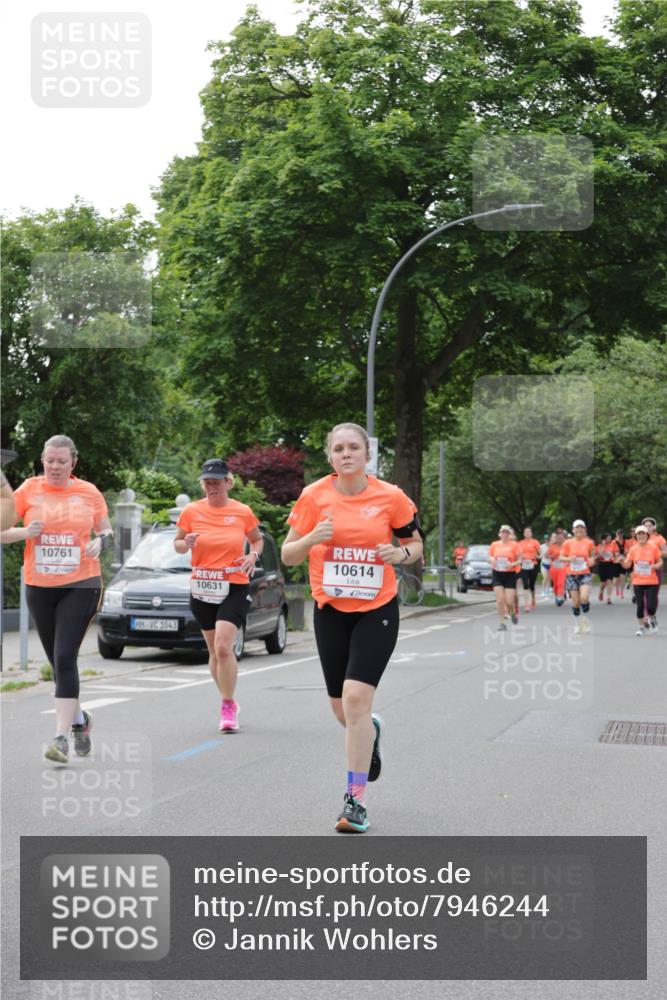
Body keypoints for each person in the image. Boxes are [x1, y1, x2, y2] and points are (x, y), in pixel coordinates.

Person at [281, 422, 422, 834]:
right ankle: (371, 733)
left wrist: (398, 553)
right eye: (339, 448)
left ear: (366, 455)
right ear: (330, 457)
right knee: (342, 710)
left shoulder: (390, 497)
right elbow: (289, 554)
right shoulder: (313, 497)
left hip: (376, 608)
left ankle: (354, 802)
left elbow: (415, 546)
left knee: (357, 699)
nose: (346, 454)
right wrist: (311, 540)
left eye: (354, 448)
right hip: (330, 611)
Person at [1, 435, 111, 762]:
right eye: (50, 460)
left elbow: (106, 531)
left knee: (64, 657)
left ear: (73, 463)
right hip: (40, 585)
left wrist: (101, 543)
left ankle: (60, 738)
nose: (55, 467)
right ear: (42, 460)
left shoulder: (88, 492)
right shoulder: (28, 490)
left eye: (62, 461)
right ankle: (80, 721)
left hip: (82, 583)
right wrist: (25, 532)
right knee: (57, 661)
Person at [174, 459, 263, 733]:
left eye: (217, 481)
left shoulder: (242, 511)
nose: (212, 486)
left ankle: (226, 706)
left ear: (228, 482)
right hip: (202, 586)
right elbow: (177, 544)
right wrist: (184, 542)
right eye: (208, 482)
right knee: (214, 651)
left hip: (233, 585)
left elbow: (257, 539)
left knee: (225, 647)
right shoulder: (191, 511)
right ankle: (230, 699)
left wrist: (252, 555)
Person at [622, 525, 662, 636]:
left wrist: (655, 566)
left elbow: (660, 562)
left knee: (650, 607)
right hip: (638, 581)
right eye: (639, 534)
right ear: (636, 536)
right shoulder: (633, 549)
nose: (641, 536)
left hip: (651, 581)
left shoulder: (653, 548)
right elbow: (627, 564)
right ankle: (641, 627)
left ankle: (652, 619)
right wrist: (621, 561)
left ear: (647, 535)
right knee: (640, 607)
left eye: (643, 534)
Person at [560, 519, 596, 633]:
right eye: (577, 527)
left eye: (581, 527)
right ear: (573, 530)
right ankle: (577, 624)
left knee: (584, 598)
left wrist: (592, 560)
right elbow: (561, 557)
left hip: (584, 574)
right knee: (575, 602)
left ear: (584, 529)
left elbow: (593, 556)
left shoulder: (589, 543)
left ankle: (585, 621)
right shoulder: (567, 543)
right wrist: (569, 558)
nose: (579, 529)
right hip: (571, 574)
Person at [489, 525, 521, 630]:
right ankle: (502, 623)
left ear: (509, 534)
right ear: (499, 534)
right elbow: (490, 557)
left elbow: (520, 560)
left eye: (507, 532)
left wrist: (512, 564)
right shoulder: (494, 544)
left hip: (510, 574)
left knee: (509, 601)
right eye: (503, 532)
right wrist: (492, 560)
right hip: (497, 573)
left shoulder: (514, 545)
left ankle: (512, 613)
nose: (504, 534)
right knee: (500, 600)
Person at [517, 527, 541, 612]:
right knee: (525, 584)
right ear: (524, 534)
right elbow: (517, 554)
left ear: (531, 533)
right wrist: (520, 558)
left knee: (531, 585)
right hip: (523, 565)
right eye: (525, 532)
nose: (527, 533)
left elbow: (541, 554)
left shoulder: (535, 542)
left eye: (528, 532)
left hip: (533, 564)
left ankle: (533, 599)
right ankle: (527, 604)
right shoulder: (520, 543)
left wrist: (537, 557)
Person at [547, 527, 567, 606]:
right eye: (558, 538)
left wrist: (565, 558)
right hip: (554, 568)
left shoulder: (566, 546)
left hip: (563, 567)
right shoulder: (552, 546)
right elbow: (546, 555)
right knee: (555, 584)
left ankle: (560, 597)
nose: (560, 539)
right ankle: (557, 596)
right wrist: (552, 556)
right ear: (556, 539)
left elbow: (570, 555)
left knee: (560, 583)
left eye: (562, 538)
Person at [596, 532, 616, 604]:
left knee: (609, 580)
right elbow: (600, 554)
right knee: (603, 582)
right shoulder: (599, 546)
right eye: (608, 538)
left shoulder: (612, 546)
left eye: (610, 538)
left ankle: (609, 597)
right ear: (603, 539)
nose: (609, 540)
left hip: (610, 564)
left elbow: (615, 554)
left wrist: (616, 558)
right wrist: (603, 545)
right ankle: (601, 591)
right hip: (602, 564)